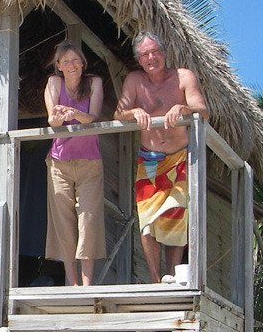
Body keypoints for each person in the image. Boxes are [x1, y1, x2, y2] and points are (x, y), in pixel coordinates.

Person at [113, 31, 208, 283]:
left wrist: (183, 108)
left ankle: (173, 274)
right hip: (149, 159)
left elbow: (203, 110)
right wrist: (133, 111)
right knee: (148, 220)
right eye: (145, 54)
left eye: (155, 51)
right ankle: (156, 279)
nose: (151, 57)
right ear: (139, 59)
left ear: (164, 53)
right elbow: (118, 114)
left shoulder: (183, 77)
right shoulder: (135, 80)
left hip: (179, 158)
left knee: (176, 213)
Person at [44, 41, 106, 286]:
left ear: (83, 63)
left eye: (75, 60)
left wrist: (74, 114)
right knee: (63, 221)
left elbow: (93, 117)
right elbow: (53, 122)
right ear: (58, 66)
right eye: (65, 61)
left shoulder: (94, 83)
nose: (71, 65)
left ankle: (87, 284)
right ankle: (72, 283)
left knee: (88, 219)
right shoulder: (53, 83)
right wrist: (60, 116)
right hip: (59, 162)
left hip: (90, 161)